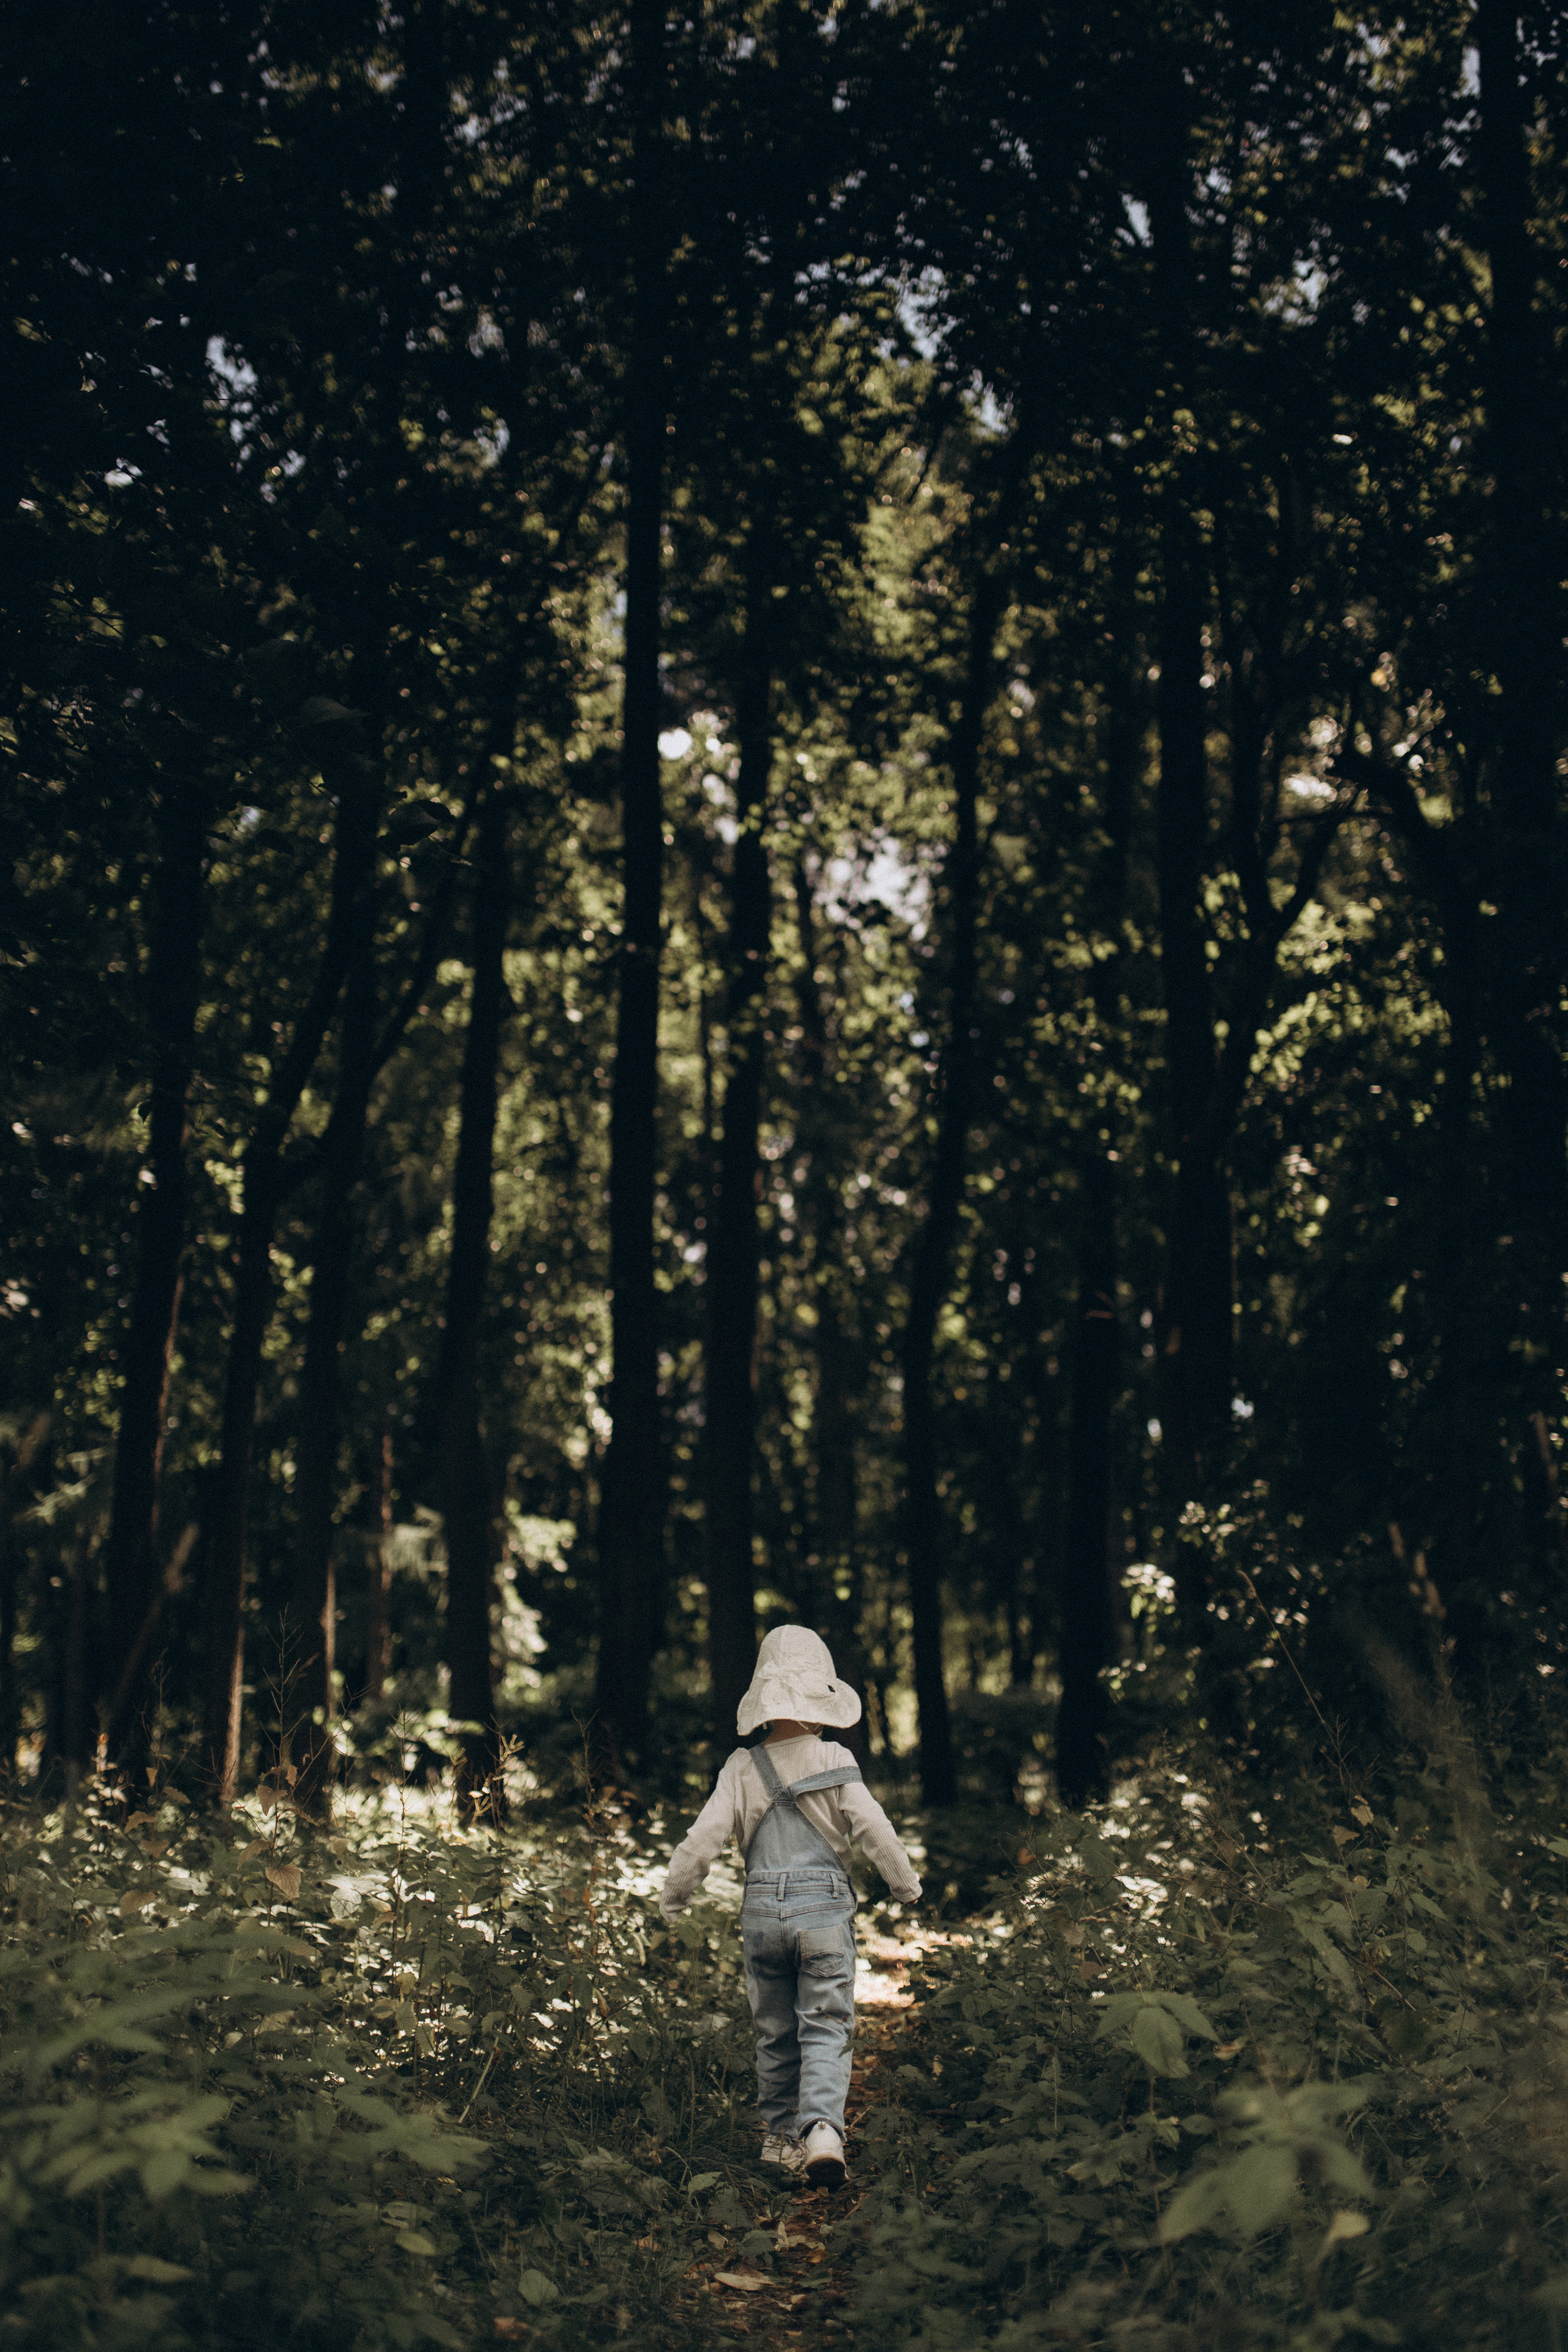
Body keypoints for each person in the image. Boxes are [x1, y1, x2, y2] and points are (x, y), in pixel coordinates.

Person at [659, 1625, 922, 2189]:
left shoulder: (740, 1767)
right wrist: (906, 1887)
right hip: (823, 1914)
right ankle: (823, 2130)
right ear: (819, 1701)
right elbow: (875, 1830)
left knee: (774, 2031)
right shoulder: (834, 1758)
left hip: (761, 1918)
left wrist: (674, 1897)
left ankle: (779, 2140)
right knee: (825, 2025)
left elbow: (702, 1840)